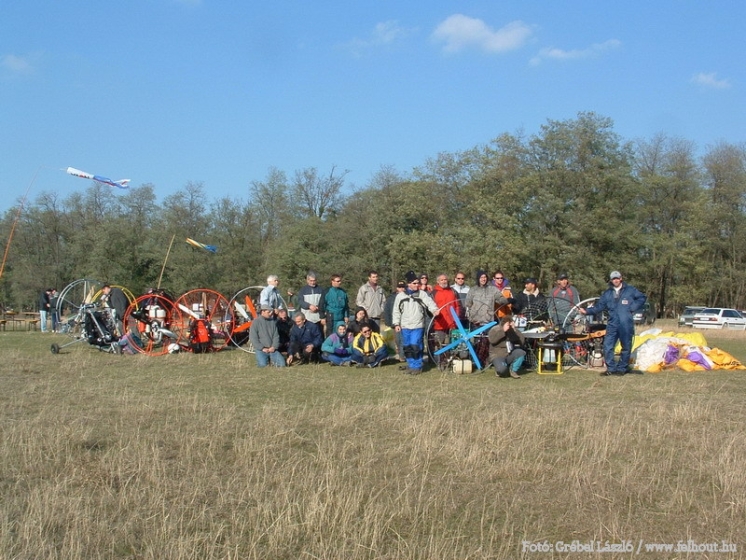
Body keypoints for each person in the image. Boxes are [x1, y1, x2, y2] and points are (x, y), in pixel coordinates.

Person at [580, 270, 647, 376]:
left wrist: (632, 307)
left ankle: (622, 368)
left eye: (617, 278)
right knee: (607, 346)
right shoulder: (607, 294)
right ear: (611, 280)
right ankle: (611, 368)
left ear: (621, 278)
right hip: (612, 324)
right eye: (613, 279)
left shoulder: (630, 290)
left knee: (626, 346)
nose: (616, 280)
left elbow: (642, 297)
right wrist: (587, 311)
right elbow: (599, 307)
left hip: (626, 323)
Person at [393, 271, 440, 375]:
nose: (416, 285)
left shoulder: (422, 294)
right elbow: (396, 311)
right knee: (407, 346)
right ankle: (411, 364)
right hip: (405, 326)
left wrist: (434, 310)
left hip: (418, 325)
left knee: (416, 346)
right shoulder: (400, 296)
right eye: (414, 283)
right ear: (408, 284)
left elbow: (429, 303)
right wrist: (396, 324)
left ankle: (417, 366)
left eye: (417, 283)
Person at [431, 273, 461, 346]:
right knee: (439, 345)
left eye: (445, 280)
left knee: (452, 345)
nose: (444, 281)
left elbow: (457, 306)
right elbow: (430, 308)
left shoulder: (453, 291)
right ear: (438, 281)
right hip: (439, 324)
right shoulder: (434, 293)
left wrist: (456, 317)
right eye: (442, 280)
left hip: (452, 324)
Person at [384, 281, 407, 361]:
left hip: (405, 322)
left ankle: (402, 356)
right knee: (398, 340)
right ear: (397, 288)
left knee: (403, 339)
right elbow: (387, 310)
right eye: (400, 287)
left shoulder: (408, 296)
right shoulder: (391, 298)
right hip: (395, 322)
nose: (402, 289)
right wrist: (388, 322)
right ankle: (401, 354)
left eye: (403, 287)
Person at [324, 273, 349, 338]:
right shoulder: (327, 291)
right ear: (332, 281)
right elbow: (322, 305)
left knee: (341, 334)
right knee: (331, 335)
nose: (339, 282)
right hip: (331, 317)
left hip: (341, 317)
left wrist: (346, 316)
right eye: (338, 281)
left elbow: (346, 306)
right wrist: (323, 317)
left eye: (340, 281)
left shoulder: (343, 292)